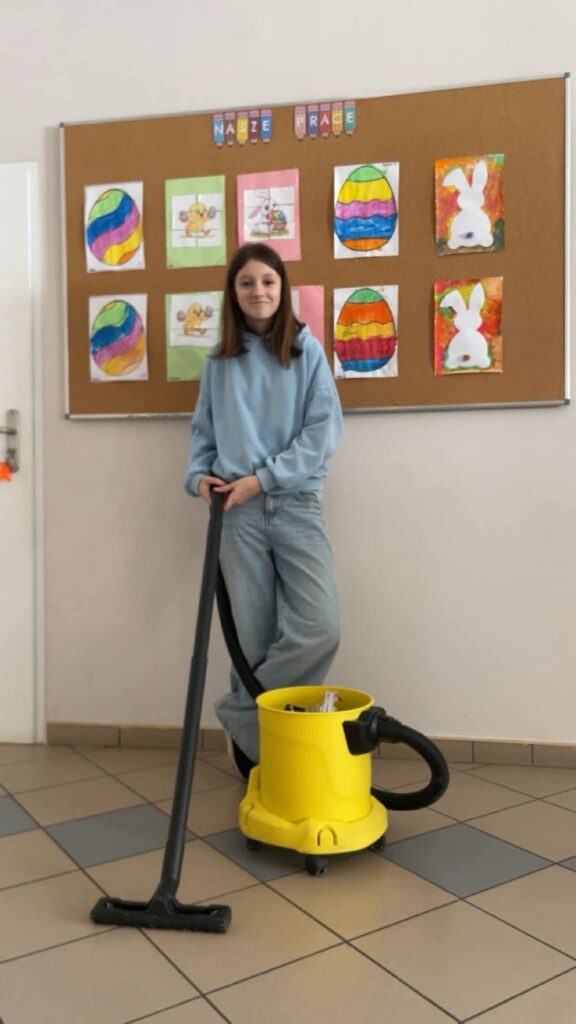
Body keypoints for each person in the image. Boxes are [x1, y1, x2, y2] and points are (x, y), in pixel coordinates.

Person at [184, 242, 342, 776]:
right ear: (234, 292)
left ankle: (240, 714)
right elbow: (203, 432)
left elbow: (323, 432)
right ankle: (258, 755)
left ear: (282, 288)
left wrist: (266, 479)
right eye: (247, 282)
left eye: (268, 281)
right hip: (236, 510)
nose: (259, 291)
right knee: (252, 638)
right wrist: (197, 477)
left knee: (320, 626)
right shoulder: (219, 361)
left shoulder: (305, 351)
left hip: (296, 503)